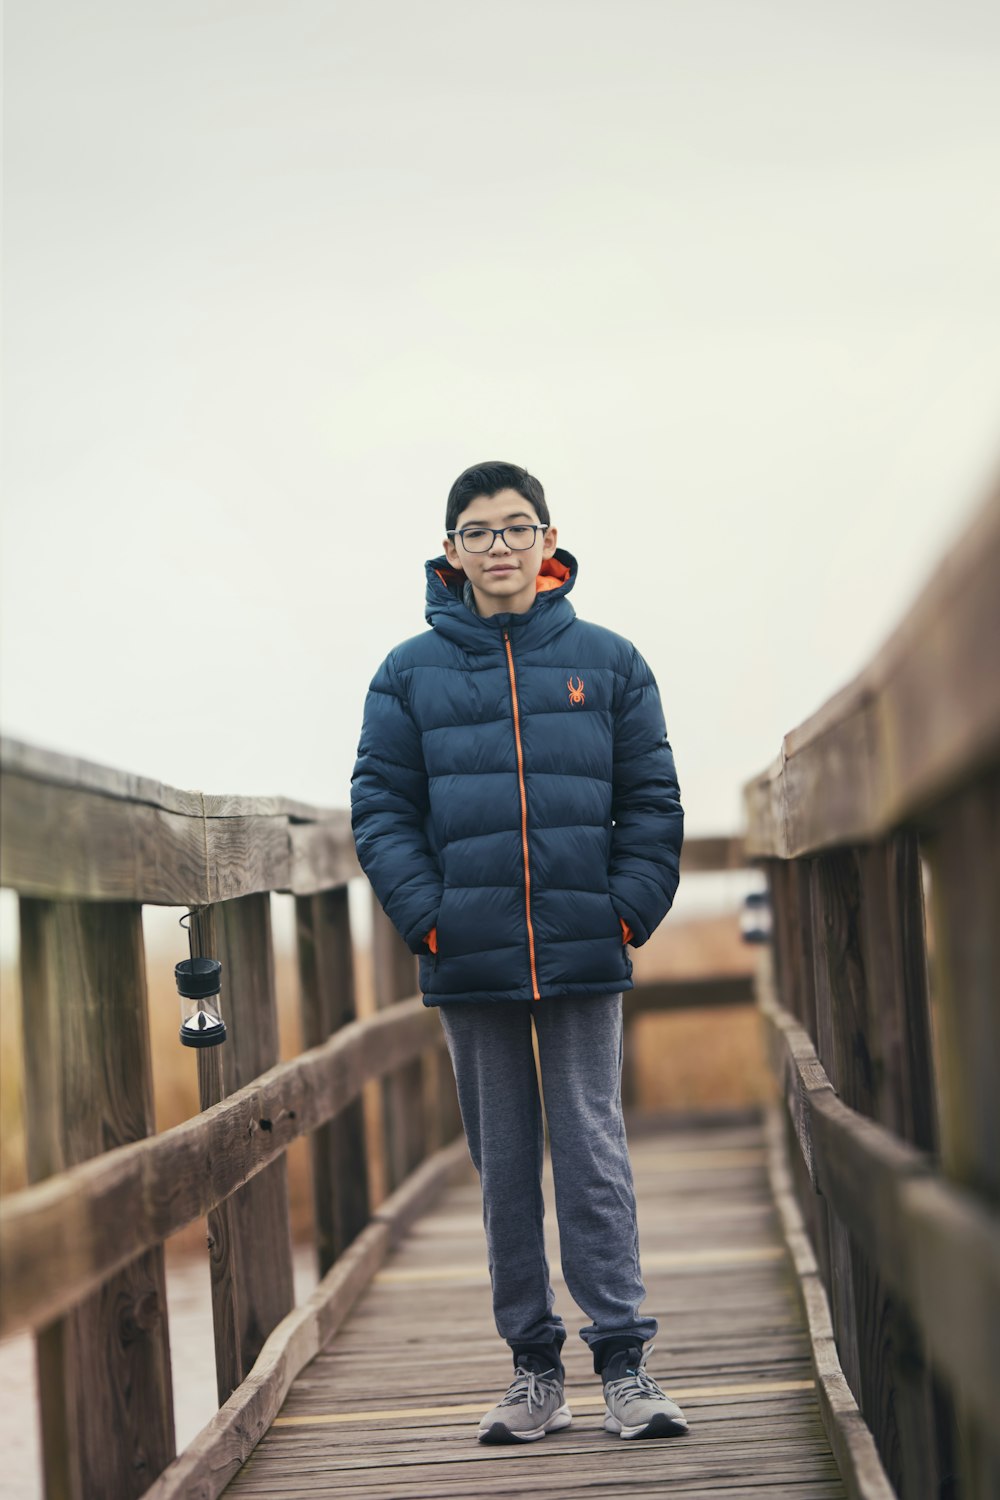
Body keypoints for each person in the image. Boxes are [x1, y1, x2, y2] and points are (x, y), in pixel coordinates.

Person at [350, 460, 688, 1444]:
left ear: (549, 540)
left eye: (516, 526)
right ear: (449, 553)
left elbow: (653, 804)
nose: (499, 545)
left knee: (591, 1150)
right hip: (473, 956)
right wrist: (431, 919)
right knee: (502, 1163)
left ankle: (624, 1361)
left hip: (584, 947)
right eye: (478, 531)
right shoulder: (406, 673)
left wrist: (625, 911)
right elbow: (381, 811)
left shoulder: (611, 663)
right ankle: (531, 1371)